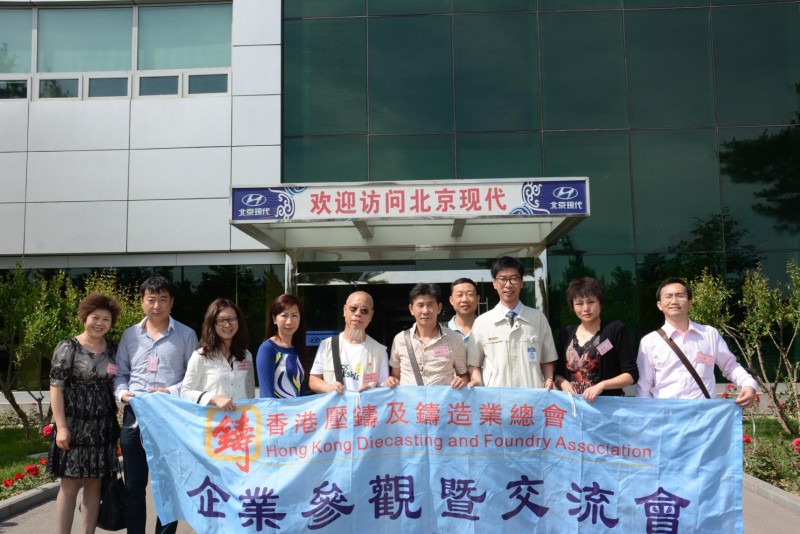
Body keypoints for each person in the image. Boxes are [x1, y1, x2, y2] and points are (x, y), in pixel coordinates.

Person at [114, 276, 197, 534]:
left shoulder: (186, 335)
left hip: (169, 416)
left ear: (172, 302)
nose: (157, 306)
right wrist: (123, 394)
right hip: (135, 415)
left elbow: (194, 379)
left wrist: (169, 391)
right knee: (134, 486)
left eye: (163, 299)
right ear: (142, 302)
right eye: (151, 299)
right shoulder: (130, 335)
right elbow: (120, 373)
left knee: (168, 487)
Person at [48, 293, 121, 534]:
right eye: (95, 318)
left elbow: (115, 382)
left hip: (102, 425)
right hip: (74, 424)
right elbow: (56, 389)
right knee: (69, 484)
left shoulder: (113, 348)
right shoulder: (68, 347)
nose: (100, 323)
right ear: (85, 317)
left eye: (106, 319)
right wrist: (62, 427)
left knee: (94, 483)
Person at [637, 277, 757, 407]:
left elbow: (730, 366)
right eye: (668, 297)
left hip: (704, 414)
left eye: (680, 296)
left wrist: (749, 384)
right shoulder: (650, 342)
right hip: (667, 414)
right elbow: (644, 385)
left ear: (690, 302)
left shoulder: (709, 334)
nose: (674, 301)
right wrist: (646, 414)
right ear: (659, 305)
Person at [467, 256, 557, 388]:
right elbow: (473, 363)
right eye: (502, 279)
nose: (508, 285)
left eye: (514, 278)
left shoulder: (538, 318)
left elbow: (547, 359)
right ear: (494, 283)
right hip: (496, 396)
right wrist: (477, 381)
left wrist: (549, 379)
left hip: (532, 394)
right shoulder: (482, 322)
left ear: (521, 282)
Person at [554, 277, 638, 402]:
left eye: (591, 302)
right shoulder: (566, 333)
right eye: (579, 303)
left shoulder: (615, 329)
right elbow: (558, 374)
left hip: (607, 406)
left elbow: (631, 375)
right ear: (572, 307)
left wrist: (602, 385)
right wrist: (563, 383)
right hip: (574, 405)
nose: (586, 308)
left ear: (601, 303)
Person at [309, 291, 391, 393]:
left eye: (364, 310)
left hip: (365, 403)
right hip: (336, 403)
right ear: (345, 310)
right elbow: (313, 380)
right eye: (353, 308)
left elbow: (383, 388)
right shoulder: (327, 345)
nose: (358, 313)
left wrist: (371, 392)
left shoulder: (380, 352)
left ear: (371, 315)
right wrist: (329, 388)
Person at [389, 283, 468, 388]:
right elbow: (395, 376)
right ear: (411, 309)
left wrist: (462, 382)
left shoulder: (454, 339)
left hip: (442, 399)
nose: (425, 311)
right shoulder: (400, 339)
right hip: (410, 399)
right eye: (420, 305)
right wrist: (392, 381)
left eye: (430, 305)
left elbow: (463, 375)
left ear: (439, 308)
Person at [181, 298, 254, 408]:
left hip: (240, 417)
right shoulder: (201, 356)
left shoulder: (246, 355)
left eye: (232, 319)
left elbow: (250, 393)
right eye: (221, 320)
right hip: (211, 417)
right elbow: (185, 393)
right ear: (212, 323)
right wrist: (213, 398)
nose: (227, 325)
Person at [257, 293, 307, 398]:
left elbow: (301, 390)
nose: (289, 322)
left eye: (294, 315)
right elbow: (266, 395)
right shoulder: (267, 349)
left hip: (298, 408)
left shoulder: (298, 348)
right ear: (274, 319)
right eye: (284, 315)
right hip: (277, 409)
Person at [447, 277, 479, 343]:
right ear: (451, 300)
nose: (464, 299)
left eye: (470, 294)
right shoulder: (440, 331)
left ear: (477, 299)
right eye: (459, 295)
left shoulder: (487, 328)